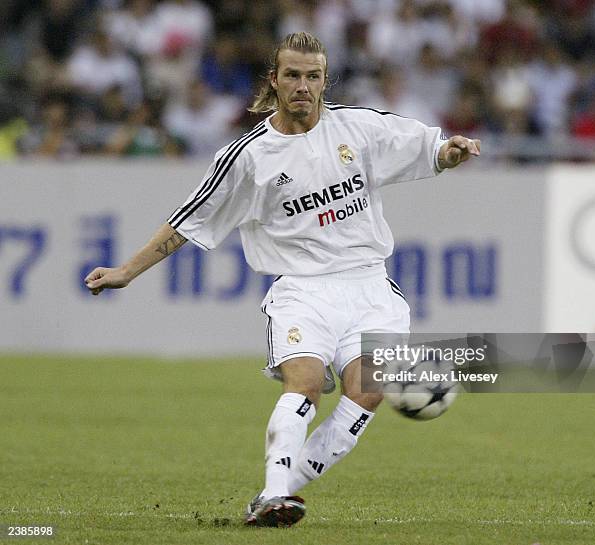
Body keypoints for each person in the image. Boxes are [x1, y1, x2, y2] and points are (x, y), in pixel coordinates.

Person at [84, 32, 481, 528]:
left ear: (324, 80)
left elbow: (427, 148)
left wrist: (451, 152)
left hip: (369, 288)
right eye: (292, 75)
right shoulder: (249, 157)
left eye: (312, 76)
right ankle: (275, 493)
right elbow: (189, 220)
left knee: (367, 391)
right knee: (307, 384)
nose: (302, 86)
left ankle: (277, 494)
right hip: (302, 291)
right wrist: (126, 271)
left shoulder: (357, 128)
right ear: (273, 80)